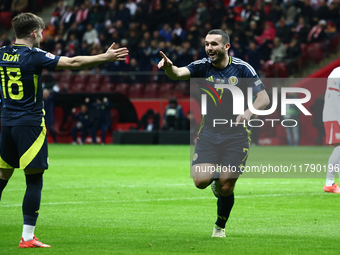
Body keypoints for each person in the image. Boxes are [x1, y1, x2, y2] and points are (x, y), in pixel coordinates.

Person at [0, 12, 128, 248]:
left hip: (5, 123)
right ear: (35, 33)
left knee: (2, 177)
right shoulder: (34, 55)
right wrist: (105, 57)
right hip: (29, 123)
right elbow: (73, 63)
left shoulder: (1, 54)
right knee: (34, 179)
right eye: (42, 31)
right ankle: (27, 238)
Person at [157, 29, 269, 237]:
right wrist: (169, 68)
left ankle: (219, 226)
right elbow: (179, 74)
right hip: (209, 132)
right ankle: (215, 177)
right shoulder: (201, 67)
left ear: (226, 46)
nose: (209, 48)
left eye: (214, 44)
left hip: (237, 135)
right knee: (200, 182)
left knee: (226, 186)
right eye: (207, 44)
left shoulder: (243, 69)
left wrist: (248, 113)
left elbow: (263, 98)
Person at [322, 67, 340, 193]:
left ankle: (330, 182)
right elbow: (334, 99)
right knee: (339, 147)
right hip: (334, 115)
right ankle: (329, 182)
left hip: (335, 115)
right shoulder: (337, 72)